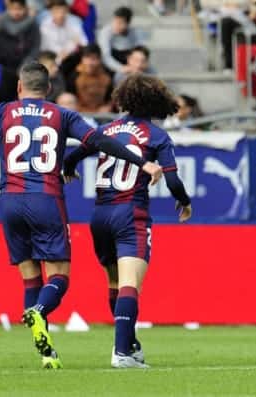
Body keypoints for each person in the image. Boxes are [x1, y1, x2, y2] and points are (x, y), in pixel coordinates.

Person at [0, 61, 163, 369]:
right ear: (49, 89)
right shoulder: (62, 114)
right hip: (46, 199)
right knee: (59, 277)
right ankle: (40, 311)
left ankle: (44, 351)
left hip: (10, 202)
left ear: (19, 87)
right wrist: (141, 162)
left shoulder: (0, 111)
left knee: (30, 278)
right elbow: (98, 140)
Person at [62, 74, 192, 369]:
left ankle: (129, 345)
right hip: (130, 213)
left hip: (100, 216)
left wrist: (69, 168)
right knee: (130, 284)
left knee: (114, 282)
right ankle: (121, 353)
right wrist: (184, 201)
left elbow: (74, 154)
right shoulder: (157, 135)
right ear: (157, 101)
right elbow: (172, 179)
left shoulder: (106, 128)